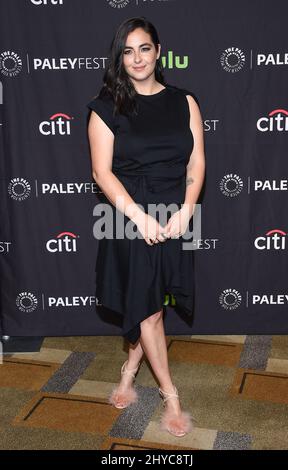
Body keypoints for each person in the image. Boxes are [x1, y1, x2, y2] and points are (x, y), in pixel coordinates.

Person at [87, 16, 205, 437]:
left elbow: (196, 162)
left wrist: (188, 208)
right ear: (120, 58)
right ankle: (170, 396)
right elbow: (102, 173)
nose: (137, 58)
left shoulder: (184, 101)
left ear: (158, 51)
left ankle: (127, 371)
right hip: (128, 216)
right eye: (128, 50)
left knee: (152, 299)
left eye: (144, 48)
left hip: (175, 212)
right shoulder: (106, 107)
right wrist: (138, 217)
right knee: (150, 309)